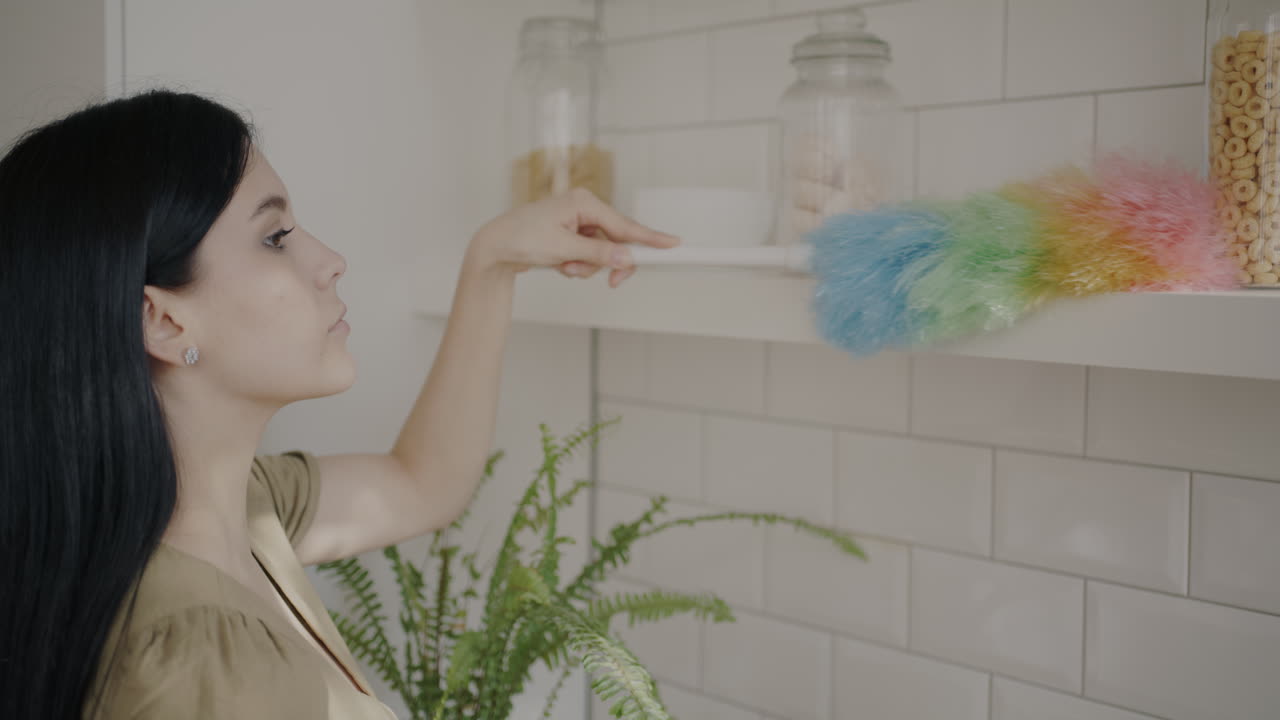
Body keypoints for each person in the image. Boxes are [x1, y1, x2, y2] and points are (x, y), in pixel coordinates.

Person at [0, 88, 680, 720]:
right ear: (166, 324)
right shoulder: (195, 667)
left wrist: (493, 260)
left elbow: (423, 482)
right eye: (275, 238)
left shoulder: (242, 513)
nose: (329, 261)